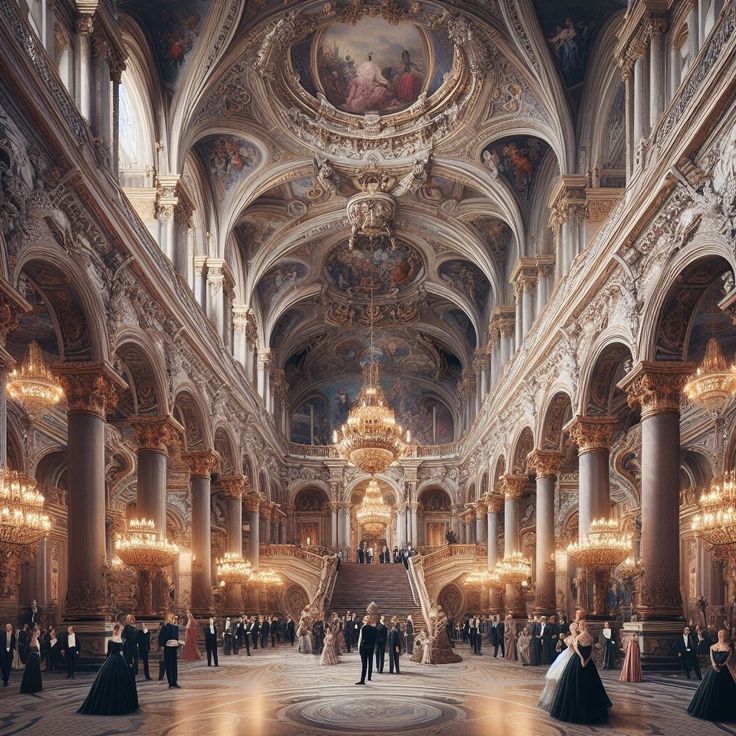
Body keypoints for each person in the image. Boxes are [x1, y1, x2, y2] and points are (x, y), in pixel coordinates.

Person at [550, 620, 612, 724]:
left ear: (583, 626)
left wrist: (583, 659)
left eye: (581, 625)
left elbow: (579, 649)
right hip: (584, 662)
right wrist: (585, 659)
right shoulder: (587, 637)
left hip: (578, 662)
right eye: (580, 625)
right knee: (582, 685)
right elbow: (587, 649)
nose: (581, 626)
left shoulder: (581, 637)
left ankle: (581, 712)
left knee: (582, 686)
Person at [78, 624, 138, 715]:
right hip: (113, 660)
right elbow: (109, 653)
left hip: (118, 660)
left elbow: (125, 651)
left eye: (117, 630)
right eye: (116, 630)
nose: (116, 631)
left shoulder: (122, 640)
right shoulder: (113, 640)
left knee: (120, 682)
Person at [687, 629, 736, 721]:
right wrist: (714, 665)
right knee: (708, 691)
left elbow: (727, 660)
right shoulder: (712, 646)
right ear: (718, 635)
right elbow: (712, 658)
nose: (721, 635)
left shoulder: (729, 648)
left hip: (724, 670)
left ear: (726, 635)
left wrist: (721, 666)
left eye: (723, 634)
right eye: (720, 634)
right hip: (713, 670)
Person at [538, 621, 579, 713]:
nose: (574, 630)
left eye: (575, 628)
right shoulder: (568, 638)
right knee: (559, 677)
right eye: (572, 628)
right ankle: (557, 701)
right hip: (567, 656)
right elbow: (562, 644)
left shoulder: (578, 637)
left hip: (575, 657)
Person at [159, 613, 181, 688]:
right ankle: (170, 682)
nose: (170, 619)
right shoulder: (164, 627)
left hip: (173, 647)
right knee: (168, 665)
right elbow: (161, 637)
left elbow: (176, 636)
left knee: (174, 665)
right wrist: (162, 645)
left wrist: (177, 643)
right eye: (169, 617)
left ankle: (175, 681)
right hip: (167, 647)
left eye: (171, 617)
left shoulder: (175, 627)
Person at [20, 628, 42, 694]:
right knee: (32, 673)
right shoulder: (32, 639)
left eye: (39, 633)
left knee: (35, 673)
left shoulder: (37, 639)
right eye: (37, 633)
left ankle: (35, 687)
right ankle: (31, 688)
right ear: (34, 633)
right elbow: (31, 648)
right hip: (33, 658)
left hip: (36, 657)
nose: (38, 634)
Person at [356, 616, 376, 685]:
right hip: (371, 647)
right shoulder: (374, 629)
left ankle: (362, 680)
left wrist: (359, 648)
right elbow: (374, 639)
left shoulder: (363, 628)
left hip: (364, 647)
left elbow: (361, 639)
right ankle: (369, 677)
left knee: (364, 664)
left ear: (365, 620)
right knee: (370, 662)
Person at [1, 623, 15, 687]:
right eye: (8, 626)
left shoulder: (12, 635)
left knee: (8, 666)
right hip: (3, 653)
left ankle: (6, 679)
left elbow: (13, 644)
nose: (9, 627)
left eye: (10, 626)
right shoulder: (2, 633)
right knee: (3, 666)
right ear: (6, 627)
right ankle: (5, 680)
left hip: (10, 653)